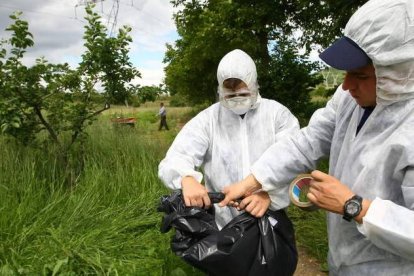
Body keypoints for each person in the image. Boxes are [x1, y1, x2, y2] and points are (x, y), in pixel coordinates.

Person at [219, 0, 414, 274]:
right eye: (346, 73)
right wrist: (252, 180)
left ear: (400, 72)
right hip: (342, 260)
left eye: (359, 75)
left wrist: (355, 207)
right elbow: (307, 141)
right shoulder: (349, 99)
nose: (346, 85)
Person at [158, 49, 300, 229]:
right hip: (223, 222)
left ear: (254, 85)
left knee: (274, 257)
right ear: (220, 91)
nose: (237, 100)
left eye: (243, 93)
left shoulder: (277, 115)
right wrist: (187, 178)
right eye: (230, 96)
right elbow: (175, 157)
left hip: (269, 216)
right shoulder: (208, 120)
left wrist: (270, 195)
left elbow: (293, 159)